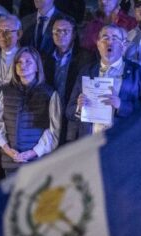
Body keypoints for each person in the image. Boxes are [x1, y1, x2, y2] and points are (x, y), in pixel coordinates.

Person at [66, 24, 141, 139]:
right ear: (98, 44)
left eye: (114, 38)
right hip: (90, 145)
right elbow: (69, 111)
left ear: (123, 46)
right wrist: (79, 107)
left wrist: (121, 105)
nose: (109, 42)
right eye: (105, 38)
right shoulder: (86, 71)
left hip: (124, 142)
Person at [0, 47, 61, 176]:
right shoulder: (5, 92)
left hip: (37, 162)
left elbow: (53, 131)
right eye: (19, 62)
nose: (22, 65)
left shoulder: (49, 94)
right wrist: (8, 151)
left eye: (28, 62)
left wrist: (32, 153)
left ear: (37, 67)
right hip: (10, 162)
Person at [43, 15, 95, 145]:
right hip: (50, 114)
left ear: (73, 34)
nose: (60, 34)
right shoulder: (45, 57)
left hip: (74, 114)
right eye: (56, 31)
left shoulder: (86, 57)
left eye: (65, 31)